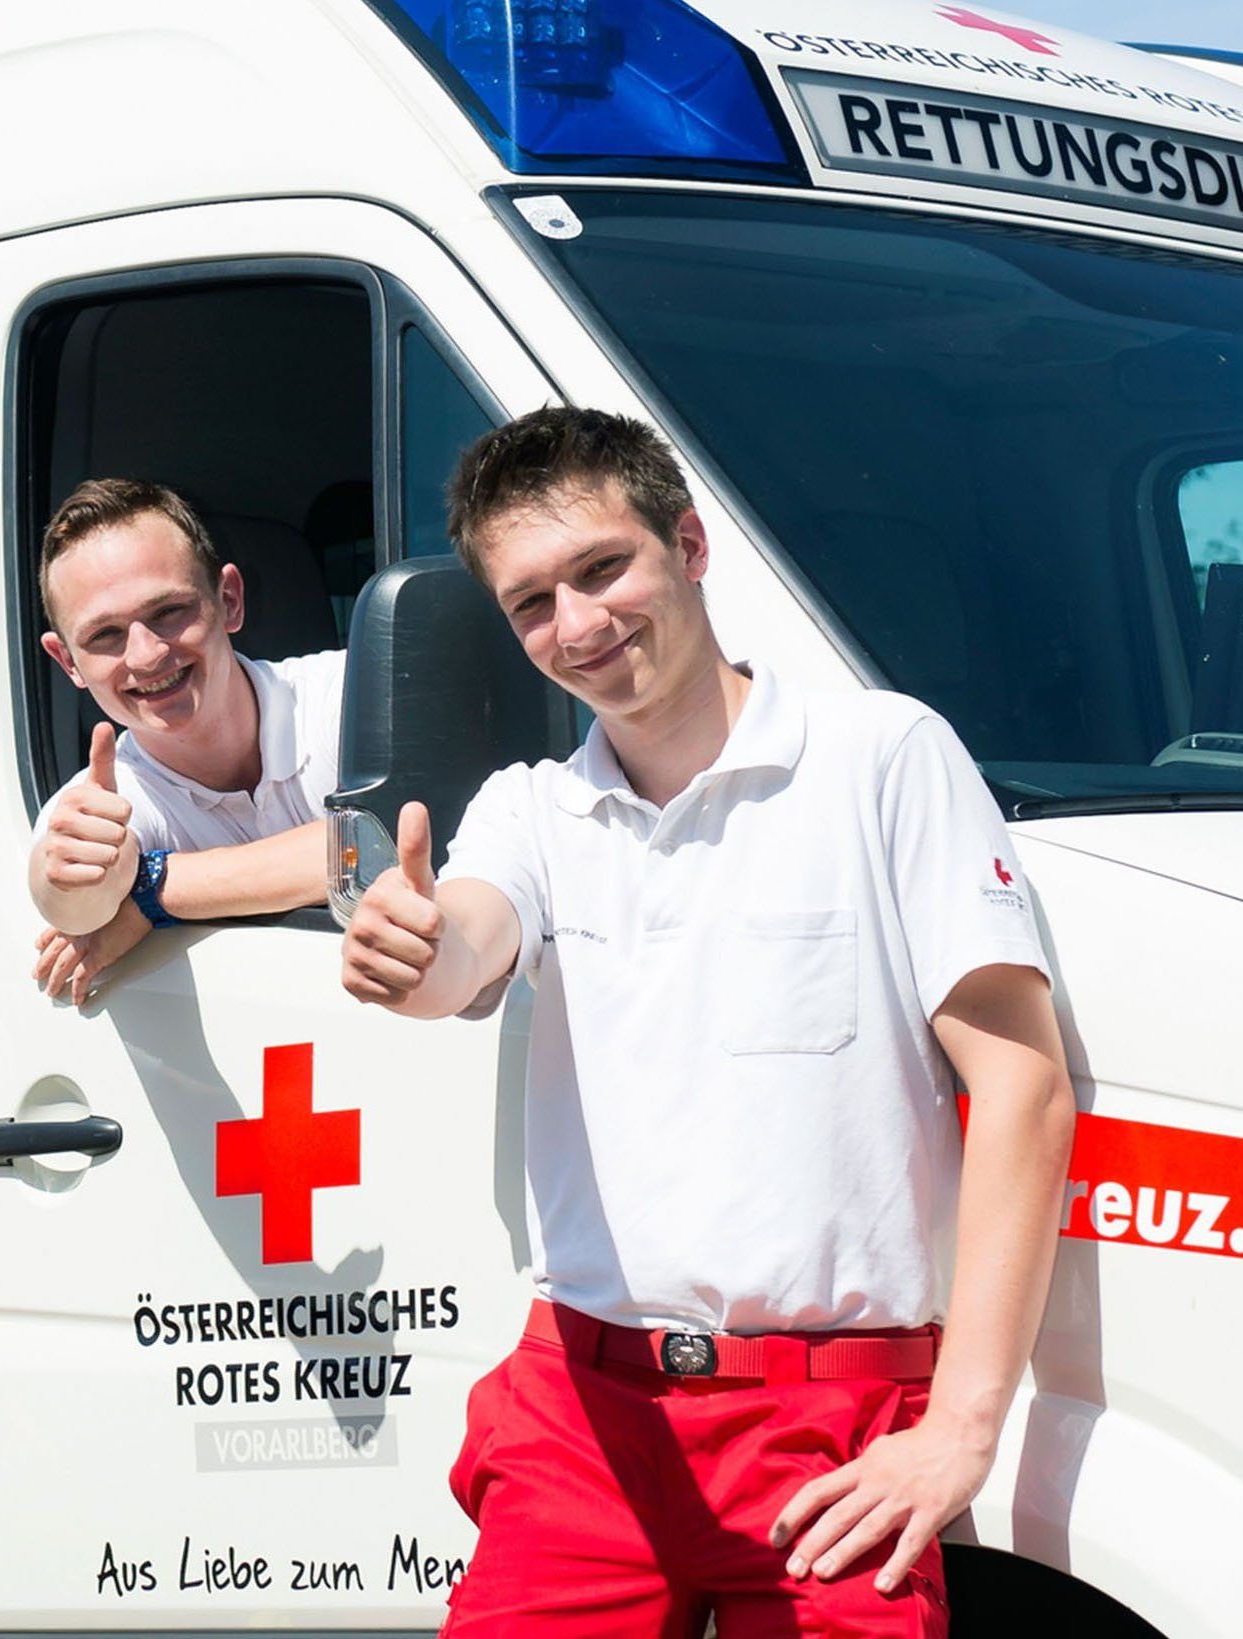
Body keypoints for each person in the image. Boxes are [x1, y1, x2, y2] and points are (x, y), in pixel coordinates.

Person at [340, 409, 1075, 1635]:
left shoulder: (881, 754)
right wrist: (408, 946)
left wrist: (962, 1425)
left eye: (601, 567)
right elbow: (463, 943)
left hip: (830, 1422)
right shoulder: (529, 810)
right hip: (582, 1410)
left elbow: (1022, 1087)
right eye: (531, 603)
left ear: (688, 544)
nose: (578, 624)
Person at [29, 478, 345, 1003]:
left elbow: (380, 843)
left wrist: (151, 890)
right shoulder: (100, 800)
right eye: (105, 635)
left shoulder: (352, 694)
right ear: (68, 663)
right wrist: (69, 879)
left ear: (229, 600)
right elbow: (73, 907)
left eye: (168, 612)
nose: (147, 655)